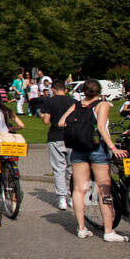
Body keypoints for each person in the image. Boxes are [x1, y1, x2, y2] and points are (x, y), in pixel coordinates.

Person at [58, 80, 129, 242]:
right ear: (99, 91)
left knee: (79, 189)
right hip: (97, 149)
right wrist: (113, 148)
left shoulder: (76, 105)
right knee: (104, 189)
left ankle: (81, 228)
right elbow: (102, 127)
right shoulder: (101, 105)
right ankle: (108, 231)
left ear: (84, 91)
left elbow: (61, 122)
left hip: (78, 149)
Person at [39, 80, 76, 210]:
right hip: (71, 137)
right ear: (65, 89)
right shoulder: (73, 102)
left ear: (53, 90)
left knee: (59, 168)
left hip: (55, 136)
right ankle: (72, 197)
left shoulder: (49, 101)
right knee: (72, 168)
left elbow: (46, 121)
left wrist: (42, 114)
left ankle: (62, 198)